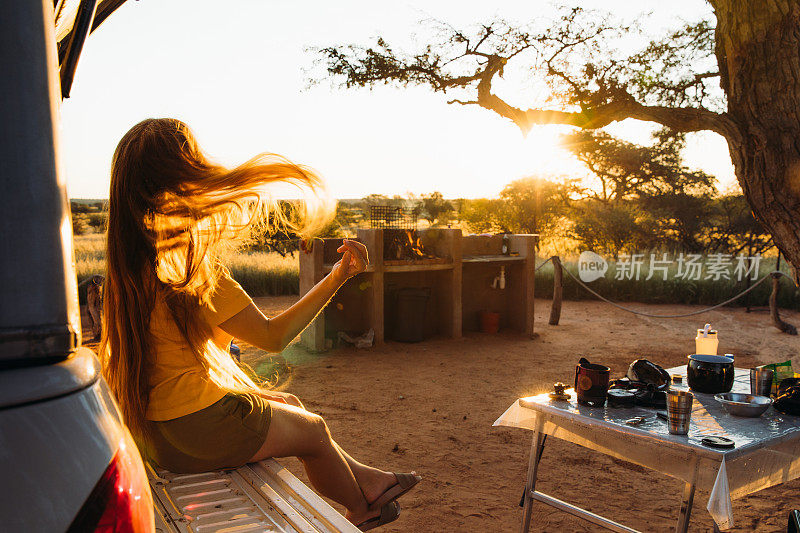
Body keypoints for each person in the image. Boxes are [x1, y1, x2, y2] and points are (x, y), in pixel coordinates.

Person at [99, 118, 420, 530]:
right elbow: (274, 337)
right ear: (188, 179)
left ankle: (371, 480)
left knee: (292, 406)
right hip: (199, 428)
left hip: (162, 434)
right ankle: (363, 510)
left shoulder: (126, 275)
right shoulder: (192, 274)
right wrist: (338, 276)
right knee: (315, 432)